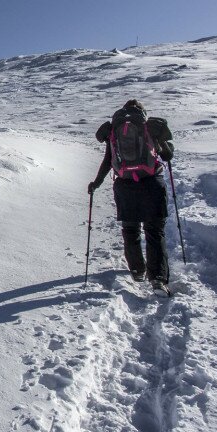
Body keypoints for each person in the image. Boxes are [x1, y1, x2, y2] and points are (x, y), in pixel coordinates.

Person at [88, 99, 175, 290]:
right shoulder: (148, 126)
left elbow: (108, 161)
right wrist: (163, 144)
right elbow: (167, 156)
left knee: (130, 230)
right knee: (154, 232)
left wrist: (96, 183)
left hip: (125, 187)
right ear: (142, 111)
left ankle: (137, 271)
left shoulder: (115, 129)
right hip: (152, 184)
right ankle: (158, 278)